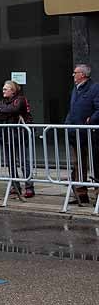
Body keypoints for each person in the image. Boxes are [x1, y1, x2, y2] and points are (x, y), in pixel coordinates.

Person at [0, 80, 34, 198]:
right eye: (3, 89)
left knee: (23, 162)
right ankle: (15, 186)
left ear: (13, 90)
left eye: (6, 89)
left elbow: (14, 109)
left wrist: (3, 110)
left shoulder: (20, 99)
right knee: (10, 162)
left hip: (20, 134)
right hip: (6, 136)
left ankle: (29, 187)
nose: (3, 91)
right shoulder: (1, 102)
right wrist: (3, 110)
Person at [65, 64, 99, 205]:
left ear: (83, 75)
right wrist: (67, 123)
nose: (73, 75)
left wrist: (90, 121)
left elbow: (98, 109)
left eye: (75, 73)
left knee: (96, 164)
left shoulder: (94, 88)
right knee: (78, 164)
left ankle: (97, 195)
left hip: (91, 134)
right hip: (76, 134)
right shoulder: (75, 89)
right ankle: (81, 194)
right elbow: (73, 109)